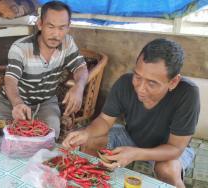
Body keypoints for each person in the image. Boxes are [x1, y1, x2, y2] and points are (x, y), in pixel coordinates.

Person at [62, 38, 200, 188]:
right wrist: (86, 133)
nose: (140, 88)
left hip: (166, 148)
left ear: (173, 82)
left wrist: (135, 153)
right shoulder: (124, 83)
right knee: (91, 140)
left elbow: (175, 149)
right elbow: (105, 120)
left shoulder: (187, 94)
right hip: (130, 136)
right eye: (137, 77)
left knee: (168, 170)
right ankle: (94, 182)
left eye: (152, 83)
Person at [0, 1, 88, 139]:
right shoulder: (20, 48)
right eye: (51, 27)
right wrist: (17, 104)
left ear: (68, 27)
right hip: (12, 103)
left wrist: (79, 87)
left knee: (49, 134)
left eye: (62, 28)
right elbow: (10, 79)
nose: (56, 35)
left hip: (46, 103)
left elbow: (80, 67)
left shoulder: (67, 43)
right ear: (40, 24)